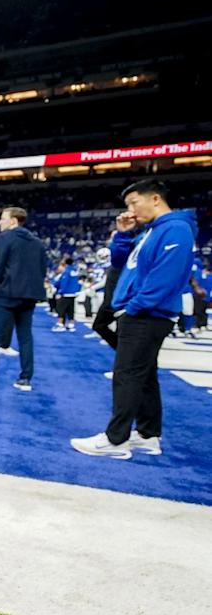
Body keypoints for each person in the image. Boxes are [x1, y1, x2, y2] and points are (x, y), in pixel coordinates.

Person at [71, 180, 196, 458]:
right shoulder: (149, 232)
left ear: (155, 199)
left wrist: (134, 307)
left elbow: (166, 276)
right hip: (143, 312)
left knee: (126, 374)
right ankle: (149, 435)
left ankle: (116, 440)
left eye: (133, 202)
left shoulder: (176, 228)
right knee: (145, 376)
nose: (130, 210)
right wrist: (123, 235)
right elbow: (120, 263)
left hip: (147, 314)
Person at [0, 207, 47, 391]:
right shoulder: (38, 243)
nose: (0, 222)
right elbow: (42, 270)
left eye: (3, 218)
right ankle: (25, 379)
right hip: (29, 296)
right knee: (25, 337)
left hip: (6, 294)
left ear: (13, 221)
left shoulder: (5, 238)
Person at [51, 257, 80, 331]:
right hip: (73, 293)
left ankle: (60, 325)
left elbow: (64, 283)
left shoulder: (66, 272)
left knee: (61, 309)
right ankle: (71, 325)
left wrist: (60, 292)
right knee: (71, 309)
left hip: (66, 293)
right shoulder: (74, 270)